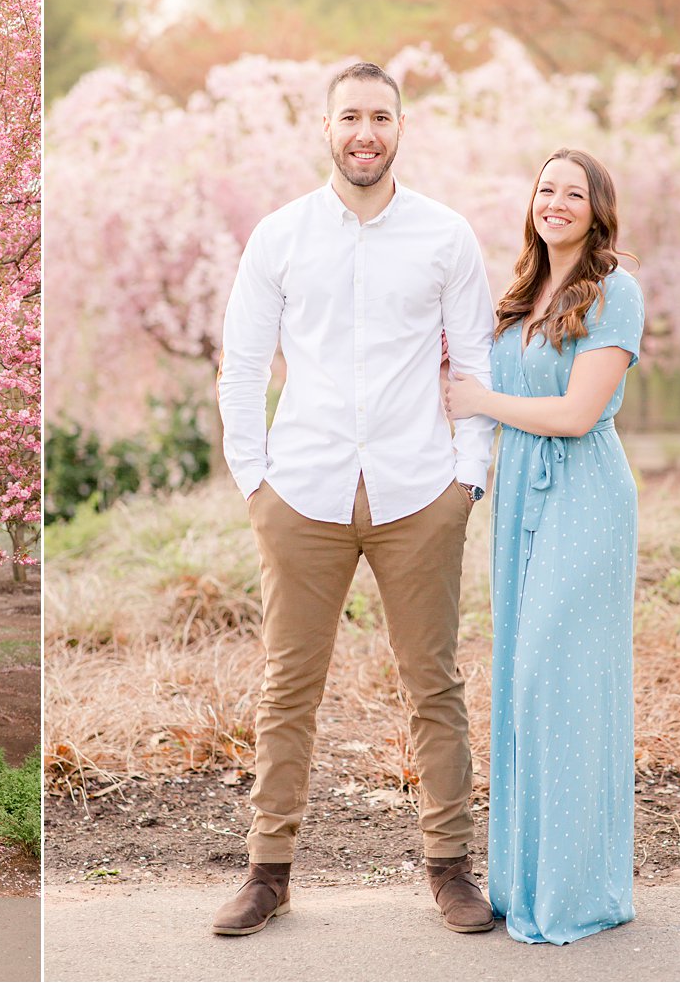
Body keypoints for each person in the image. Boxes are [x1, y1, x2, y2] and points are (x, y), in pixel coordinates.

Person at [213, 61, 498, 937]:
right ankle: (269, 871)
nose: (364, 132)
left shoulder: (447, 236)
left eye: (380, 116)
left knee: (433, 685)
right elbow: (243, 366)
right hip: (301, 492)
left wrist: (466, 480)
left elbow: (475, 362)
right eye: (350, 117)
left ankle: (450, 868)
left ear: (401, 126)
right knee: (287, 684)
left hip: (421, 494)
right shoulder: (281, 235)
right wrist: (255, 482)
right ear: (325, 127)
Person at [445, 148, 643, 944]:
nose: (556, 201)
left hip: (585, 497)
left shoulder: (615, 290)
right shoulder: (522, 292)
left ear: (597, 210)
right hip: (521, 494)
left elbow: (574, 413)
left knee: (554, 680)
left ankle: (576, 891)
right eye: (545, 189)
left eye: (574, 192)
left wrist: (482, 398)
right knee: (521, 687)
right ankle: (523, 881)